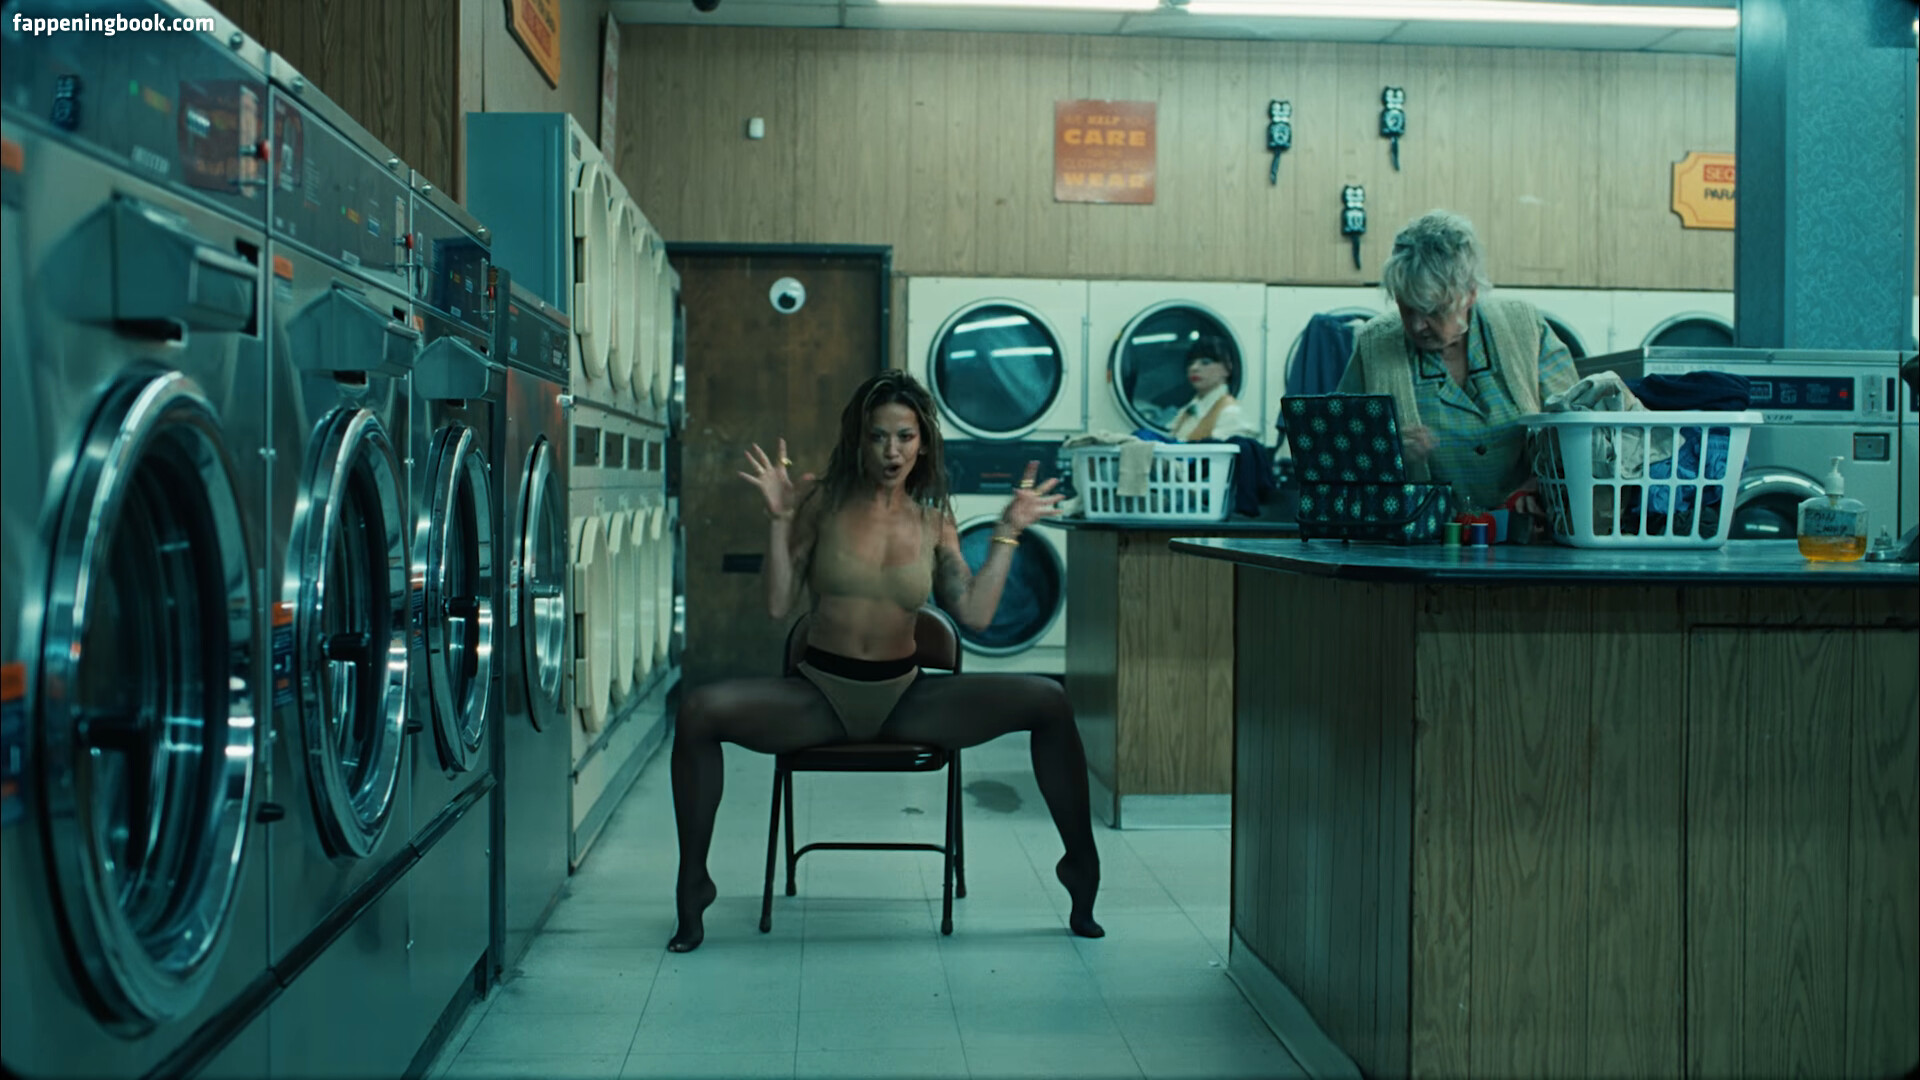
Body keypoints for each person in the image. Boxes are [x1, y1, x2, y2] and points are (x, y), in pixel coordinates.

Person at [666, 370, 1103, 952]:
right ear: (859, 440)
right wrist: (778, 520)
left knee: (1049, 701)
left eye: (905, 436)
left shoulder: (934, 521)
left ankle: (1080, 865)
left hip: (905, 697)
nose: (891, 451)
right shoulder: (820, 504)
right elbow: (777, 604)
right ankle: (693, 882)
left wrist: (1007, 531)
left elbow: (974, 613)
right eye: (878, 436)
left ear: (923, 443)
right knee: (698, 711)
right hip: (819, 694)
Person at [1339, 210, 1578, 520]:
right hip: (1424, 535)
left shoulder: (1525, 328)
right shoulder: (1375, 346)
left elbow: (1575, 429)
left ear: (1470, 294)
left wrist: (1539, 484)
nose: (1417, 325)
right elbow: (1337, 451)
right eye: (1407, 308)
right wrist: (1387, 452)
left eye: (1432, 310)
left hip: (1524, 530)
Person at [1168, 336, 1261, 442]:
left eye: (1205, 362)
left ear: (1227, 368)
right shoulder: (1187, 410)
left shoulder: (1231, 414)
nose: (1194, 368)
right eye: (1191, 363)